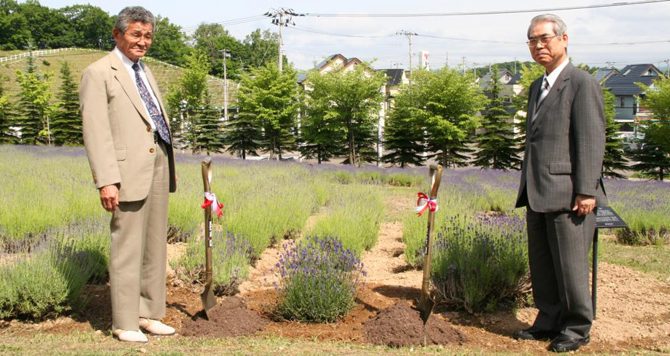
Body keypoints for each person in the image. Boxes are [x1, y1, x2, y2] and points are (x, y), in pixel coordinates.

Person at [81, 6, 177, 343]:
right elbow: (95, 130)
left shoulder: (144, 70)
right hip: (124, 172)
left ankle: (148, 313)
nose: (143, 41)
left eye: (148, 35)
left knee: (154, 246)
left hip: (158, 163)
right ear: (117, 34)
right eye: (136, 34)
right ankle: (124, 322)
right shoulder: (98, 72)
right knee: (127, 247)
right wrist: (106, 179)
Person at [514, 14, 607, 353]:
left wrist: (587, 190)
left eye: (545, 38)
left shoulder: (581, 83)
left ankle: (576, 327)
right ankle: (549, 319)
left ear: (564, 40)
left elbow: (591, 139)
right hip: (536, 191)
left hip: (569, 193)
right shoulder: (538, 86)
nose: (538, 45)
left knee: (570, 266)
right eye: (532, 40)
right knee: (542, 263)